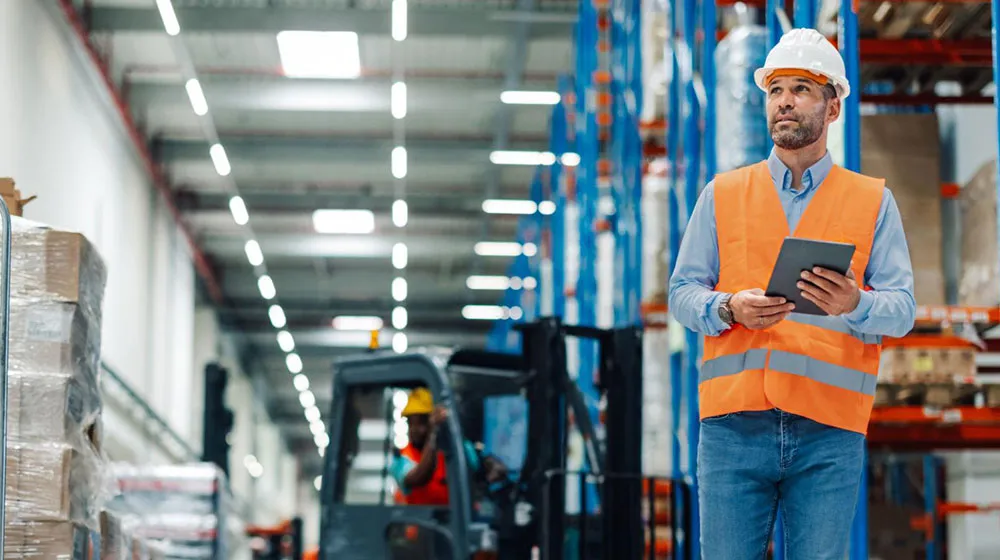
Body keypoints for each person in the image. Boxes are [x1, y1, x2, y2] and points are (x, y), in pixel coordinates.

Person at [667, 28, 916, 559]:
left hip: (829, 431)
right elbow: (682, 293)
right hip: (734, 430)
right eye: (775, 89)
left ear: (832, 108)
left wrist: (856, 304)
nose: (784, 100)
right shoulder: (723, 194)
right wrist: (727, 306)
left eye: (802, 88)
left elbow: (902, 310)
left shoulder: (872, 201)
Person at [390, 387, 507, 506]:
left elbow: (479, 464)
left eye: (422, 422)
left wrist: (491, 465)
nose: (416, 430)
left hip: (458, 523)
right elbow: (419, 478)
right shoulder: (401, 458)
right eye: (411, 423)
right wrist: (433, 432)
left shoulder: (456, 449)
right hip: (421, 522)